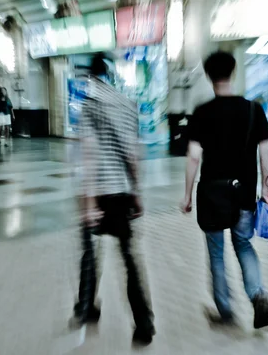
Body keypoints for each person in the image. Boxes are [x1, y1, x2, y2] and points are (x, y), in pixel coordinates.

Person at [180, 51, 268, 329]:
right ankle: (257, 294)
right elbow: (266, 152)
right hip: (243, 194)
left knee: (216, 253)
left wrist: (186, 195)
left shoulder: (202, 112)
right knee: (243, 244)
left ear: (209, 77)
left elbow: (194, 156)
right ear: (233, 73)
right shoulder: (253, 109)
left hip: (212, 196)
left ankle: (225, 311)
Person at [71, 53, 155, 346]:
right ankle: (144, 323)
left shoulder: (90, 107)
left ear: (91, 77)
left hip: (99, 191)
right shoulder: (127, 105)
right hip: (122, 192)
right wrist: (137, 191)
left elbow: (89, 153)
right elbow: (134, 154)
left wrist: (90, 201)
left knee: (89, 252)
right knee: (130, 258)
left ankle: (85, 308)